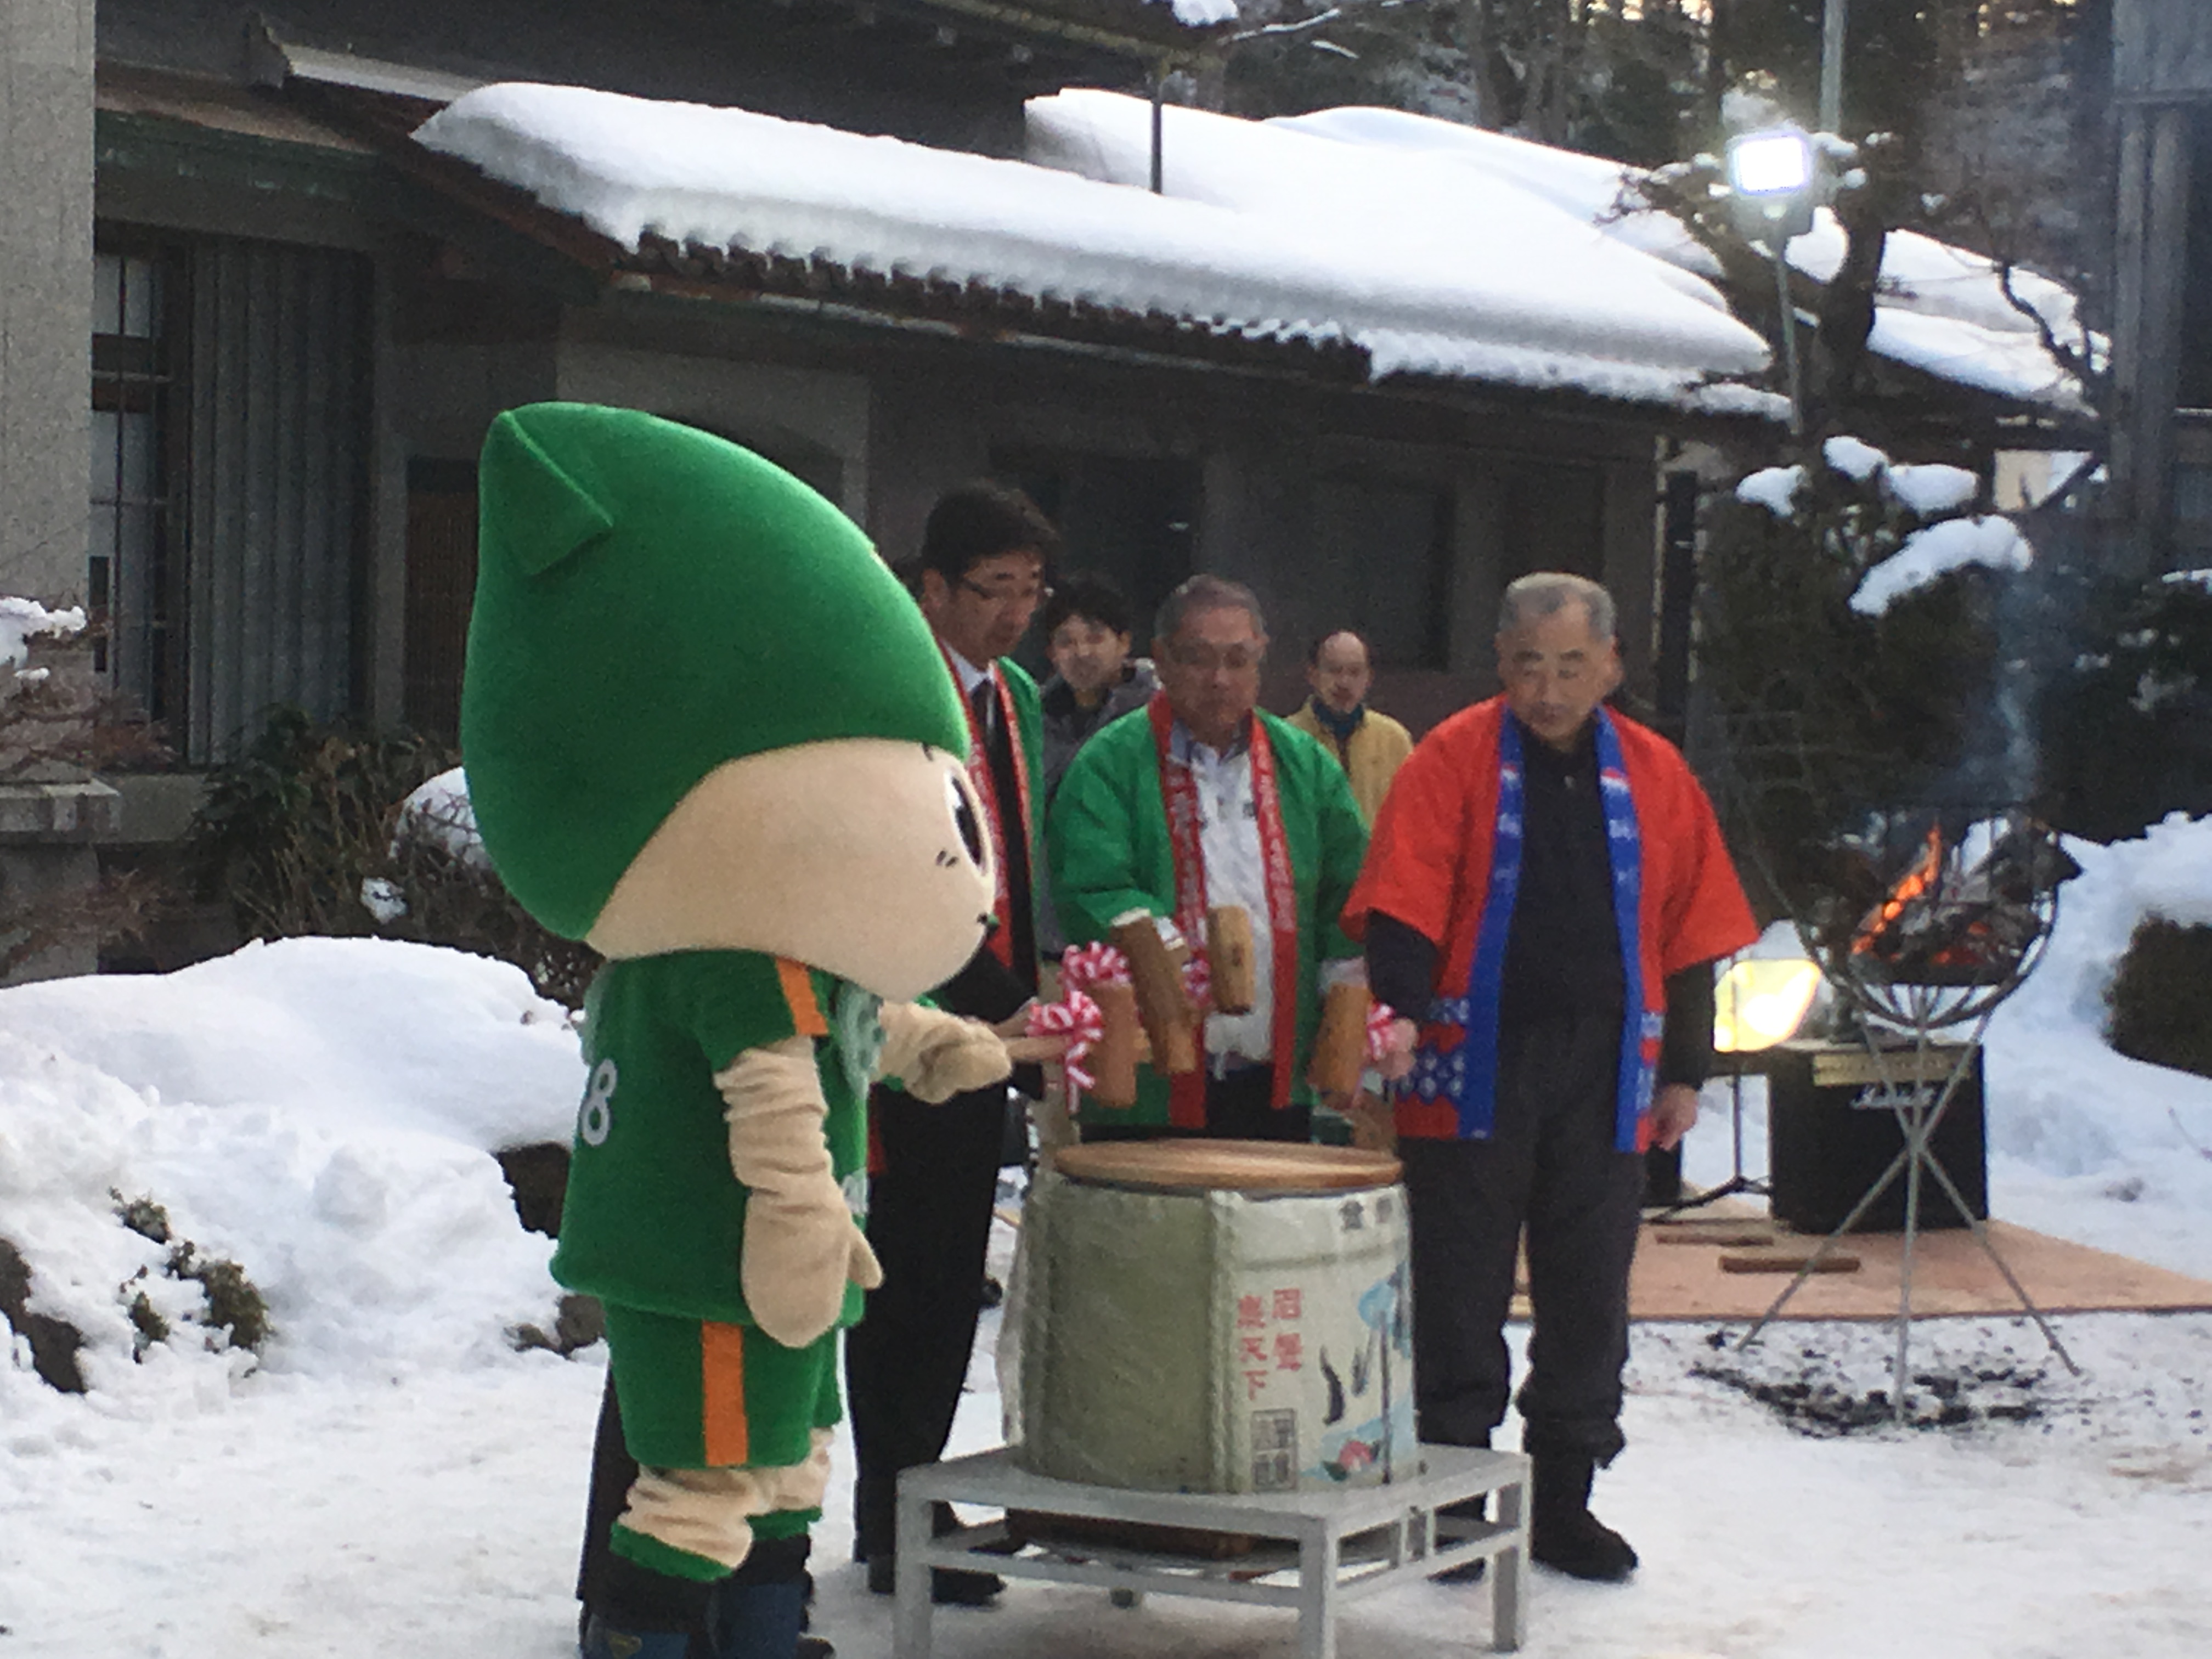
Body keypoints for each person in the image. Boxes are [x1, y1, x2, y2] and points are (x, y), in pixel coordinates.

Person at [458, 404, 1015, 1659]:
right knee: (704, 1477)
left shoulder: (769, 952)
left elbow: (853, 1026)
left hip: (769, 1276)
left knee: (786, 1456)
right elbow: (774, 1110)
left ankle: (766, 1628)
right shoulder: (735, 966)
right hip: (721, 1262)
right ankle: (644, 1636)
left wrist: (931, 1045)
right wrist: (800, 1218)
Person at [1344, 571, 1756, 1583]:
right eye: (1529, 665)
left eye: (1572, 666)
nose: (1548, 688)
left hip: (1609, 1065)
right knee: (1456, 1285)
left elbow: (1690, 931)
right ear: (1500, 661)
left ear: (1610, 665)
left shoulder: (1656, 771)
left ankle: (1562, 1501)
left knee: (1589, 1290)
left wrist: (1686, 1069)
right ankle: (1449, 1499)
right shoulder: (1450, 757)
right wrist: (1397, 1015)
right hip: (1469, 1057)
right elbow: (1404, 900)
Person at [844, 480, 1053, 1605]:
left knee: (948, 1275)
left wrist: (1032, 997)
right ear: (932, 587)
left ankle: (912, 1499)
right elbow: (913, 873)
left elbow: (1013, 853)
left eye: (1029, 590)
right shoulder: (898, 686)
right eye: (992, 589)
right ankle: (892, 1512)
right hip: (916, 1017)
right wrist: (1005, 1000)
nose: (1014, 613)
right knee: (906, 1278)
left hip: (989, 1017)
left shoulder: (1007, 694)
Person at [1048, 574, 1370, 1142]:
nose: (1220, 679)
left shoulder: (1306, 766)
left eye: (1238, 660)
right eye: (1198, 659)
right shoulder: (1109, 763)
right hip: (1151, 1080)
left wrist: (1344, 1011)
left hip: (1275, 1074)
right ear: (1161, 659)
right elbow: (1091, 888)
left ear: (1261, 657)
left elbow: (1347, 897)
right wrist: (1181, 960)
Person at [1037, 573, 1159, 801]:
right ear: (1052, 654)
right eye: (1066, 642)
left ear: (1124, 643)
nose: (1082, 653)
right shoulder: (1035, 719)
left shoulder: (1155, 711)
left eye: (1095, 639)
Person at [1286, 628, 1414, 824]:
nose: (1344, 683)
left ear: (1369, 678)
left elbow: (1412, 812)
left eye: (1355, 672)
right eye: (1334, 670)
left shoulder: (1394, 739)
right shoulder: (1288, 738)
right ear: (1313, 675)